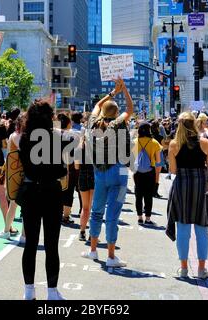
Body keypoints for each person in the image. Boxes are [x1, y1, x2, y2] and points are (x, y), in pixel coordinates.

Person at [18, 99, 70, 300]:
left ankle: (28, 291)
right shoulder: (57, 138)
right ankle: (51, 292)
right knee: (51, 245)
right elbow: (61, 169)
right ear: (50, 117)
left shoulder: (24, 138)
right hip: (51, 192)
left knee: (30, 243)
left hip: (30, 191)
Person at [81, 78, 133, 268]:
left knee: (96, 211)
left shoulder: (93, 123)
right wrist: (124, 89)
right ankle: (111, 255)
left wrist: (113, 92)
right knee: (113, 214)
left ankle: (93, 250)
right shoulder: (118, 123)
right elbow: (131, 108)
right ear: (116, 113)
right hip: (119, 173)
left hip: (99, 174)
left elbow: (96, 105)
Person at [166, 111, 208, 279]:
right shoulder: (205, 143)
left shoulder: (174, 145)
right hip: (201, 184)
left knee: (183, 228)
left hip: (182, 185)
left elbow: (172, 170)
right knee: (202, 227)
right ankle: (202, 269)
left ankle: (184, 267)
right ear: (194, 124)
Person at [0, 113, 26, 240]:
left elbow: (10, 157)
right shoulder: (28, 136)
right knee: (25, 205)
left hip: (15, 174)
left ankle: (7, 230)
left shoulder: (14, 136)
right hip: (26, 173)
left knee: (13, 203)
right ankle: (22, 234)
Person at [133, 122, 162, 225]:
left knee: (138, 194)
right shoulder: (154, 143)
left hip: (137, 171)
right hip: (150, 171)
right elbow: (158, 160)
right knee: (148, 195)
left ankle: (139, 217)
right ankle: (148, 218)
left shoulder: (135, 142)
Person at [75, 133, 95, 241]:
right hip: (94, 176)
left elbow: (76, 166)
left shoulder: (79, 149)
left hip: (82, 176)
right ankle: (93, 233)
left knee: (85, 207)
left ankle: (82, 232)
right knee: (93, 208)